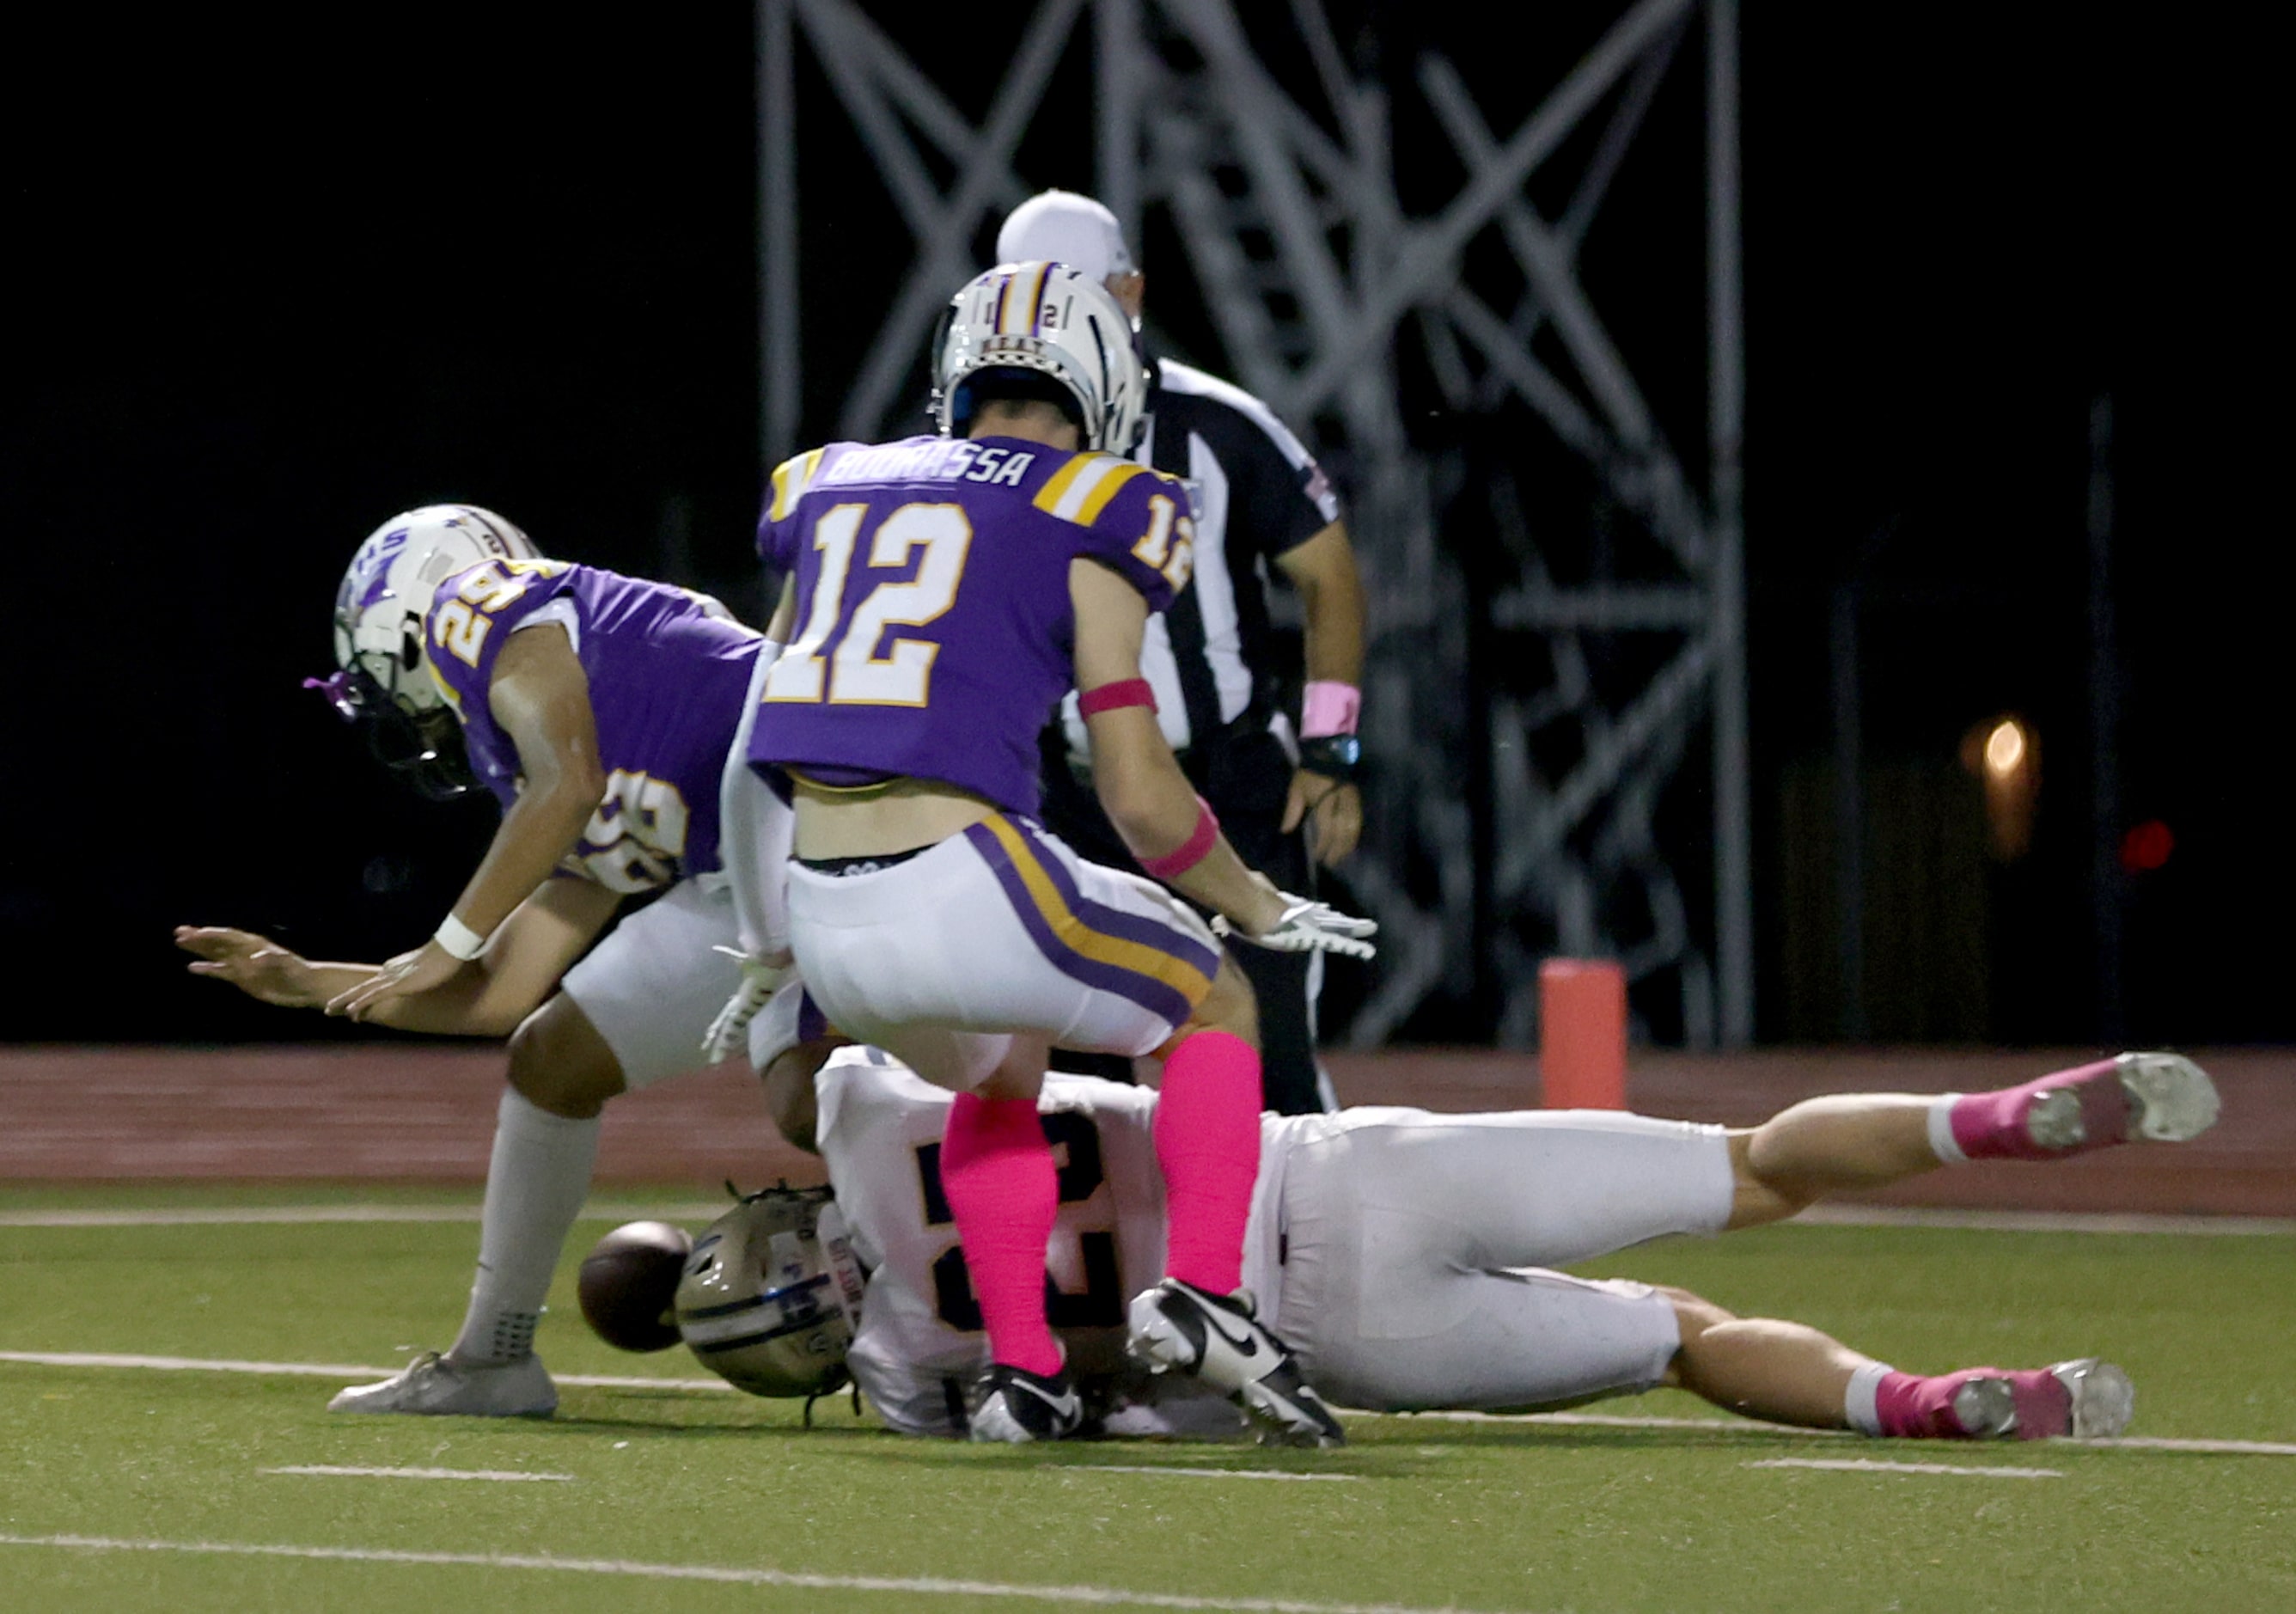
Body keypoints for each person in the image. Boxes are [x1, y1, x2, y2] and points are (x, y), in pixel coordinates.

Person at [741, 262, 1376, 1446]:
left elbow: (749, 749)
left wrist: (770, 951)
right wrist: (1256, 900)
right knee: (1213, 995)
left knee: (1000, 1067)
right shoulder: (1106, 502)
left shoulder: (830, 481)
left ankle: (1020, 1372)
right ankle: (1210, 1300)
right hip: (961, 876)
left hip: (825, 912)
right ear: (1108, 385)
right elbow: (1137, 795)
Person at [738, 1020, 2220, 1443]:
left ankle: (1904, 1399)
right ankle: (1995, 1115)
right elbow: (817, 1048)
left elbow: (1088, 1416)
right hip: (1338, 1177)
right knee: (1754, 1165)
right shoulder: (866, 1108)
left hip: (1332, 1340)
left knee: (1682, 1343)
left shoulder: (898, 1370)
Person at [177, 504, 791, 1417]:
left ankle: (938, 1321)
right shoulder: (552, 724)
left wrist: (443, 941)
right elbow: (497, 994)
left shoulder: (475, 604)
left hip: (832, 815)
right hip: (745, 871)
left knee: (823, 1097)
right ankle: (492, 1360)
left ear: (399, 617)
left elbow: (568, 781)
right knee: (553, 1060)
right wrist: (310, 982)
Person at [998, 190, 1367, 1116]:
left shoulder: (1215, 424)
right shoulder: (984, 437)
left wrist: (1331, 751)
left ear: (1128, 292)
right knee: (1078, 1091)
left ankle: (1295, 1259)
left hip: (1229, 783)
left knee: (1271, 1067)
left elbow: (1329, 577)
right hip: (1073, 797)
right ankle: (1120, 1266)